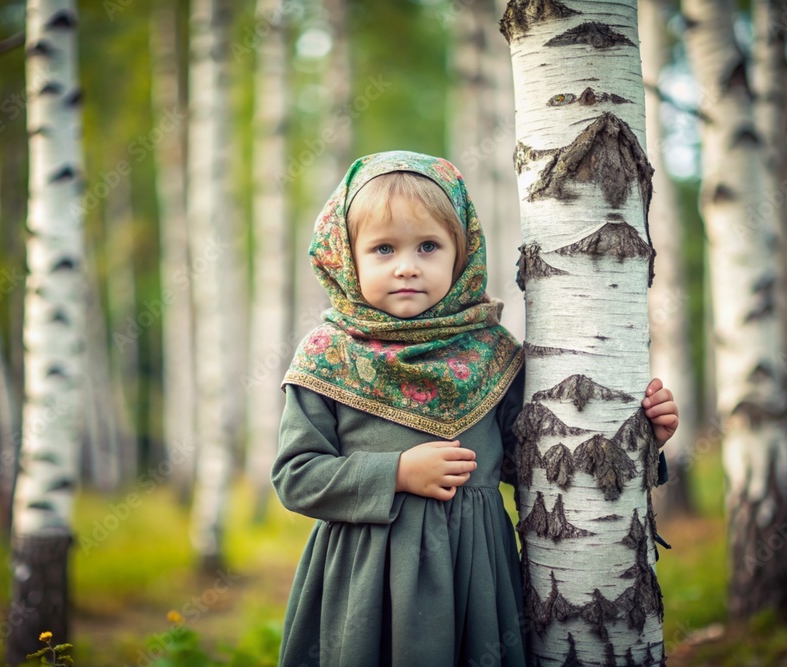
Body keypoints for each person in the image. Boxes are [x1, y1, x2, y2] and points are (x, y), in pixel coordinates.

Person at [271, 150, 679, 666]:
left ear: (461, 255)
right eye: (381, 249)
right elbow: (296, 475)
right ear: (345, 258)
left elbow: (537, 461)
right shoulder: (328, 355)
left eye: (427, 246)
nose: (406, 267)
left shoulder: (492, 352)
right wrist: (395, 473)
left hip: (477, 581)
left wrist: (639, 438)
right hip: (367, 583)